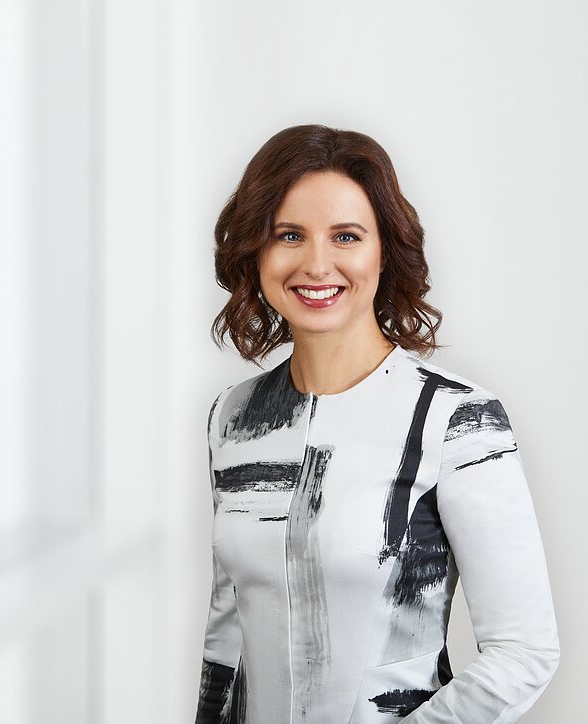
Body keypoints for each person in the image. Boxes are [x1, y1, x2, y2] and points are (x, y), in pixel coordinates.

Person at [197, 124, 559, 723]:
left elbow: (524, 653)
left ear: (384, 250)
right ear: (256, 251)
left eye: (346, 236)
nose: (317, 264)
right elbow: (227, 636)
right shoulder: (232, 417)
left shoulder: (453, 419)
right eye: (289, 235)